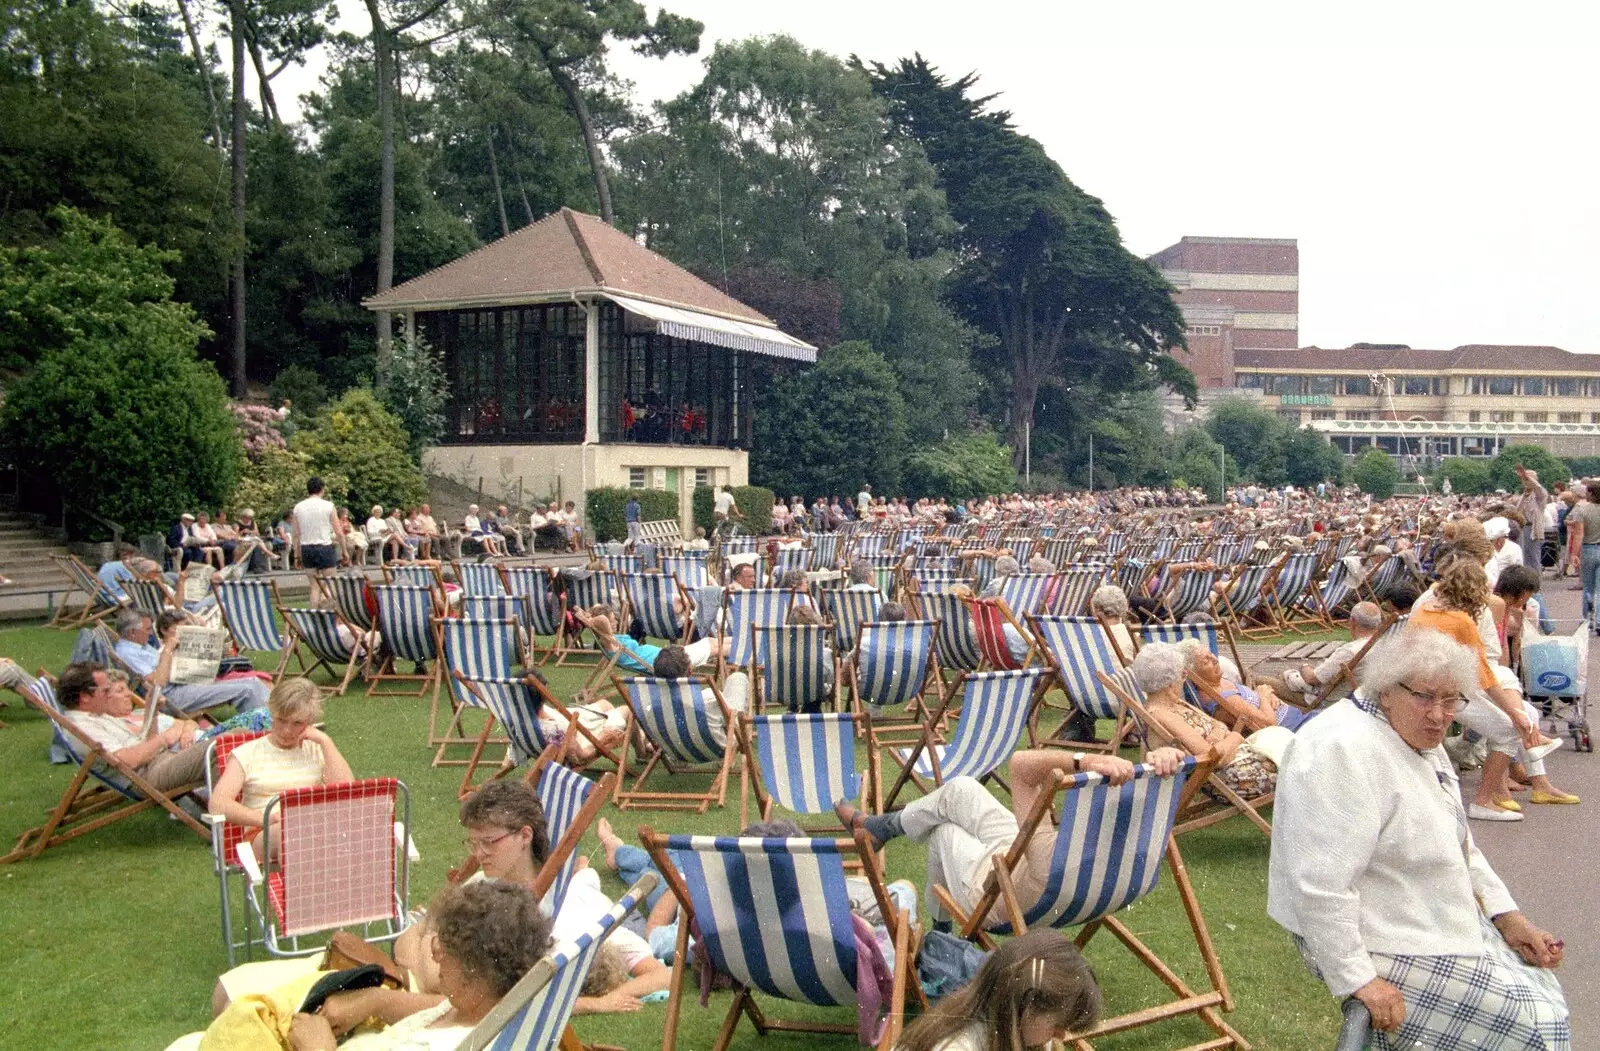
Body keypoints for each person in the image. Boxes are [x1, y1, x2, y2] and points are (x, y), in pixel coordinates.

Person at [1268, 632, 1569, 1051]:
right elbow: (1318, 886)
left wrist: (1507, 916)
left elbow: (1459, 841)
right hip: (1369, 935)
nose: (1440, 715)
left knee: (1543, 990)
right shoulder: (1338, 749)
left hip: (1423, 912)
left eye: (1452, 700)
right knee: (1534, 1025)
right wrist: (1360, 979)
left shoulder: (1413, 733)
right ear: (1385, 691)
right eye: (1425, 697)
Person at [834, 746, 1186, 928]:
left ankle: (941, 933)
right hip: (1028, 863)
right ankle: (880, 827)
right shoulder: (1130, 859)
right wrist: (1166, 757)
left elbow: (1020, 764)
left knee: (942, 831)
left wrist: (1085, 760)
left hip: (993, 888)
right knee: (962, 789)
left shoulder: (1052, 853)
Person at [282, 881, 554, 1050]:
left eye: (442, 950)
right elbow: (434, 1009)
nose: (435, 958)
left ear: (473, 970)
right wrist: (373, 1000)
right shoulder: (483, 1007)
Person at [1410, 558, 1566, 818]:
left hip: (1421, 688)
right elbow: (1484, 674)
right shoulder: (1461, 621)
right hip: (1448, 693)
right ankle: (1484, 800)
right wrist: (1513, 712)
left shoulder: (1425, 611)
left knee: (1512, 714)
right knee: (1507, 730)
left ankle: (1505, 788)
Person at [207, 677, 355, 854]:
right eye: (281, 720)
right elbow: (218, 803)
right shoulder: (247, 753)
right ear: (272, 713)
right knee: (296, 832)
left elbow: (348, 794)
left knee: (354, 828)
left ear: (310, 721)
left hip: (318, 828)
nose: (287, 730)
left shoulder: (318, 748)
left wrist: (326, 741)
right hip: (266, 833)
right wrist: (265, 818)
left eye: (297, 723)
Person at [895, 929, 1103, 1051]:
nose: (1060, 1033)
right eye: (1058, 1024)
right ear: (1026, 1004)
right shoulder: (958, 1045)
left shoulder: (1020, 1028)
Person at [1130, 643, 1277, 801]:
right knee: (1295, 763)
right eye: (1182, 674)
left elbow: (1218, 725)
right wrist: (1235, 736)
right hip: (1237, 779)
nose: (1184, 677)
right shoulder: (1163, 715)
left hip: (1241, 760)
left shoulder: (1176, 704)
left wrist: (1218, 737)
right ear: (1169, 683)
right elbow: (1213, 757)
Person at [57, 661, 210, 796]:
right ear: (84, 696)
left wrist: (153, 713)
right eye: (104, 691)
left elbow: (145, 745)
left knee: (225, 744)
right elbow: (131, 760)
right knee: (218, 748)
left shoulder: (97, 716)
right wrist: (163, 739)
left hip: (157, 761)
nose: (108, 696)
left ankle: (223, 816)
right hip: (146, 777)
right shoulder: (83, 728)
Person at [113, 609, 270, 716]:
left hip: (182, 684)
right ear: (132, 632)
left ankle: (274, 724)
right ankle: (267, 731)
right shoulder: (127, 653)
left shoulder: (141, 646)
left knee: (252, 682)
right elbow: (157, 682)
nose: (150, 633)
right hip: (170, 697)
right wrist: (168, 650)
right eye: (147, 629)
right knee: (247, 689)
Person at [1255, 600, 1384, 706]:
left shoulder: (1350, 651)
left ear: (1353, 622)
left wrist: (1304, 666)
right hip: (1358, 697)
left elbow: (1312, 679)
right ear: (1378, 624)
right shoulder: (1382, 646)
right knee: (1284, 676)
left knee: (1259, 681)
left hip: (1327, 701)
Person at [1182, 640, 1314, 731]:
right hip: (1294, 730)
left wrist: (1267, 696)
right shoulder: (1223, 701)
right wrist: (1263, 697)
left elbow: (1253, 701)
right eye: (1206, 661)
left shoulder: (1220, 681)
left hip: (1299, 719)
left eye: (1210, 654)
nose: (1215, 660)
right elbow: (1268, 724)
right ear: (1194, 674)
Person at [292, 478, 340, 605]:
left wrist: (296, 555)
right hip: (324, 547)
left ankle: (314, 615)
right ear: (322, 489)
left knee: (314, 586)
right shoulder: (328, 506)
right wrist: (345, 551)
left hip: (306, 548)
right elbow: (339, 532)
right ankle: (328, 614)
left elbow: (296, 534)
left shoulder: (298, 507)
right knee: (329, 583)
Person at [1563, 480, 1600, 631]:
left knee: (1588, 587)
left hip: (1588, 548)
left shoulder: (1582, 510)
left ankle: (1587, 619)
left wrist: (1574, 555)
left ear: (1590, 494)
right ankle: (1599, 620)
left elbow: (1579, 534)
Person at [1515, 466, 1550, 573]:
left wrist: (1528, 477)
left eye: (1527, 480)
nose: (1525, 482)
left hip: (1532, 529)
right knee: (1524, 558)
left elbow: (1538, 488)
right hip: (1523, 528)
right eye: (1524, 480)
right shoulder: (1524, 495)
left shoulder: (1540, 496)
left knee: (1534, 559)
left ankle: (1537, 584)